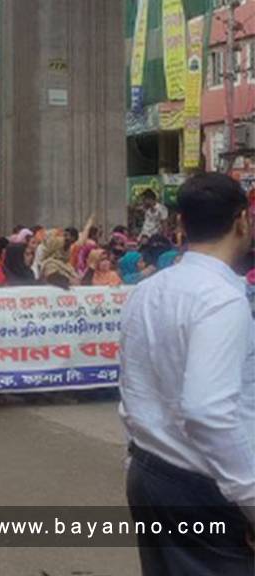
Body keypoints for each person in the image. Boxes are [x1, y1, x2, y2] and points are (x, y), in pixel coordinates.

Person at [119, 172, 254, 575]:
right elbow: (207, 411)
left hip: (151, 471)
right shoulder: (221, 300)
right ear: (242, 221)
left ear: (180, 225)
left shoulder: (148, 291)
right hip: (203, 485)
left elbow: (132, 385)